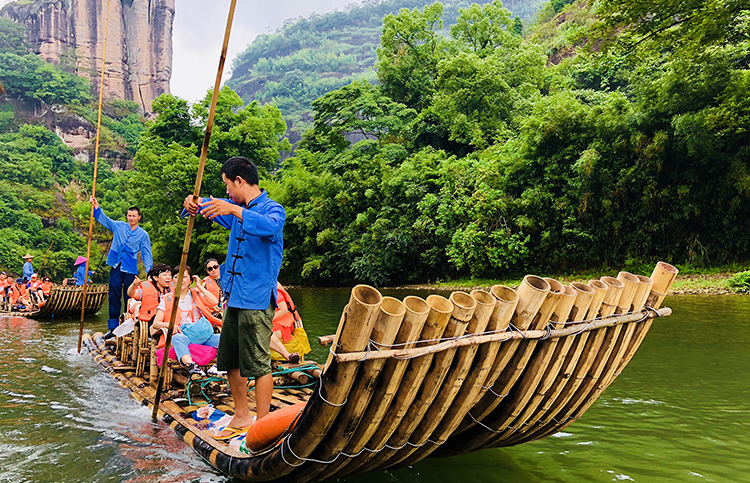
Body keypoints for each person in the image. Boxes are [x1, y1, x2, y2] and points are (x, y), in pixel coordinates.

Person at [183, 156, 285, 437]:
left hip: (257, 298)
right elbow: (204, 206)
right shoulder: (234, 208)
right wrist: (191, 204)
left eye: (228, 185)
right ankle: (242, 415)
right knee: (231, 359)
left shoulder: (272, 209)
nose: (227, 192)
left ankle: (263, 423)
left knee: (259, 362)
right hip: (234, 298)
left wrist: (234, 210)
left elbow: (270, 227)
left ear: (240, 181)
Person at [90, 196, 153, 339]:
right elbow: (105, 220)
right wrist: (96, 206)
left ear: (139, 217)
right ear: (127, 216)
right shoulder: (119, 226)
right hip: (116, 265)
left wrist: (150, 272)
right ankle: (112, 329)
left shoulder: (143, 235)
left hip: (130, 268)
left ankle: (127, 328)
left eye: (134, 216)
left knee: (129, 298)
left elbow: (146, 253)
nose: (131, 218)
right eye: (129, 215)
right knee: (113, 296)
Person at [150, 265, 219, 377]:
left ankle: (220, 366)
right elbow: (156, 323)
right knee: (176, 338)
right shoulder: (167, 298)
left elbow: (214, 302)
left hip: (204, 335)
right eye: (177, 277)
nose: (181, 279)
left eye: (184, 276)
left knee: (225, 338)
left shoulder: (196, 294)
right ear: (173, 280)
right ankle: (192, 366)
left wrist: (199, 287)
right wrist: (170, 325)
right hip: (184, 336)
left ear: (190, 280)